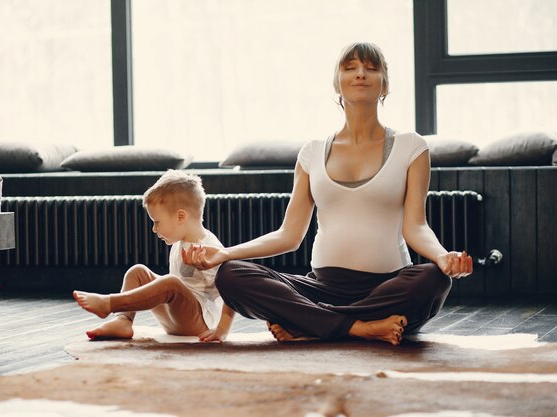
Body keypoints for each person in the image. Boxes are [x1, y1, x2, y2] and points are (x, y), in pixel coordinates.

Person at [183, 42, 473, 346]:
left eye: (371, 68)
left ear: (384, 84)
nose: (361, 74)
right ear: (337, 82)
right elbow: (289, 235)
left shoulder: (411, 147)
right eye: (350, 68)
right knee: (231, 275)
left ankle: (314, 323)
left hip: (387, 287)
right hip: (321, 287)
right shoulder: (311, 153)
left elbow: (416, 226)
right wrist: (225, 253)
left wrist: (442, 257)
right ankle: (359, 327)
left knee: (434, 280)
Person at [73, 170, 235, 343]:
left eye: (157, 222)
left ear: (181, 216)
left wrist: (222, 329)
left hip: (201, 323)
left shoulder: (210, 248)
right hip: (175, 320)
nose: (154, 229)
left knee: (171, 283)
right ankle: (123, 320)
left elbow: (232, 289)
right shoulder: (179, 243)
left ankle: (110, 303)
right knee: (138, 272)